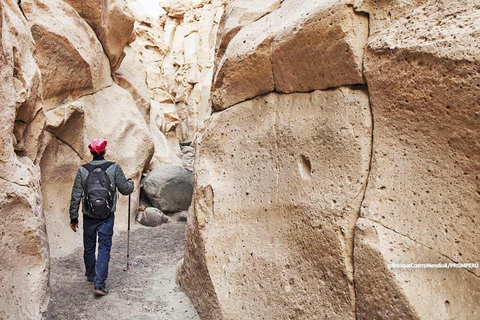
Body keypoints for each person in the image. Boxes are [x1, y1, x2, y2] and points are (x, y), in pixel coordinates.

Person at [69, 138, 134, 296]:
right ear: (104, 151)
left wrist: (73, 218)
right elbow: (125, 190)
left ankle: (91, 275)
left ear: (91, 152)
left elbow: (76, 195)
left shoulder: (83, 171)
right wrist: (131, 184)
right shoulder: (114, 168)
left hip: (89, 215)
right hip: (107, 216)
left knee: (89, 247)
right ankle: (99, 284)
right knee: (104, 248)